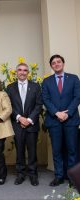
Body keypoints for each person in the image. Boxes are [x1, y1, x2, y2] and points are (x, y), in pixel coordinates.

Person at [42, 54, 80, 187]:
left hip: (71, 120)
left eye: (59, 62)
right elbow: (45, 99)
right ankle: (58, 176)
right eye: (53, 63)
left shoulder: (74, 78)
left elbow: (77, 97)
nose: (56, 64)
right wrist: (56, 113)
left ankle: (72, 178)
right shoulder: (47, 81)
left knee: (72, 150)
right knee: (56, 150)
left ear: (63, 64)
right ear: (51, 66)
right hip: (54, 120)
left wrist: (67, 113)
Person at [6, 63, 42, 186]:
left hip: (32, 124)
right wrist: (20, 118)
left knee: (32, 151)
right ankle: (20, 174)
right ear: (16, 72)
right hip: (17, 124)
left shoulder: (36, 86)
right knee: (19, 150)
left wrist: (29, 120)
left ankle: (33, 175)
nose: (22, 72)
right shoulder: (10, 87)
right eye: (20, 70)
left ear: (28, 72)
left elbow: (38, 105)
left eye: (25, 70)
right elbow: (9, 106)